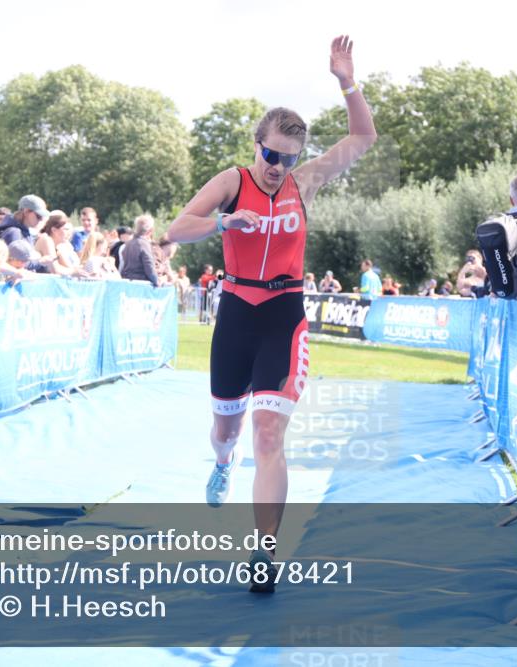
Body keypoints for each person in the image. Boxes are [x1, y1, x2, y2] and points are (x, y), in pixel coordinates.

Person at [166, 35, 376, 592]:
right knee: (226, 428)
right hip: (235, 310)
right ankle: (220, 463)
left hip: (283, 312)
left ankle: (264, 553)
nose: (279, 167)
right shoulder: (232, 182)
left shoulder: (304, 183)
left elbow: (363, 136)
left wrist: (346, 81)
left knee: (267, 432)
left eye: (289, 158)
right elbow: (175, 230)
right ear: (256, 144)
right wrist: (221, 223)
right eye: (271, 154)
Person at [35, 211, 83, 276]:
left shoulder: (57, 247)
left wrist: (79, 270)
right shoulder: (46, 240)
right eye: (66, 229)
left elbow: (69, 267)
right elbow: (55, 270)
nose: (69, 234)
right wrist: (74, 271)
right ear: (54, 230)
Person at [119, 214, 159, 284]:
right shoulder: (144, 244)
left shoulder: (128, 244)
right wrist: (157, 281)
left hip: (126, 282)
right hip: (141, 285)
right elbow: (149, 268)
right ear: (151, 230)